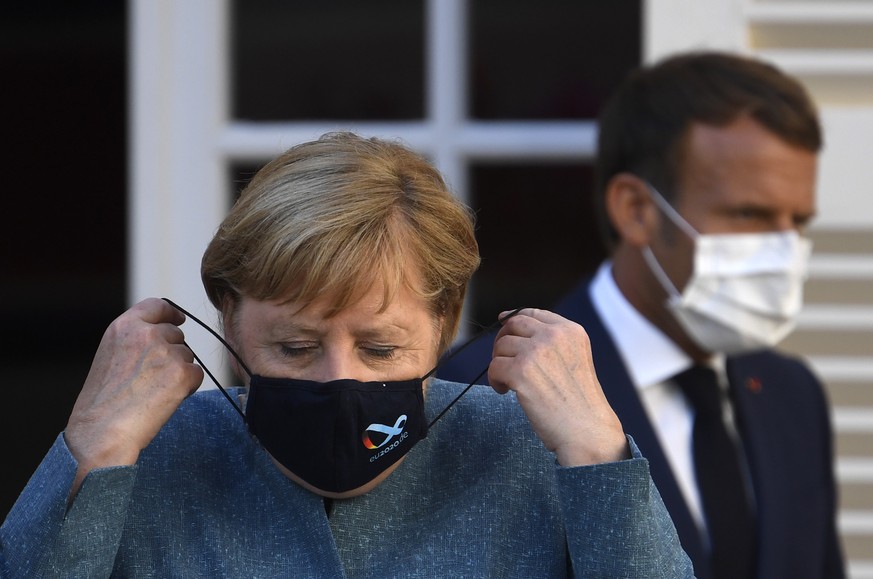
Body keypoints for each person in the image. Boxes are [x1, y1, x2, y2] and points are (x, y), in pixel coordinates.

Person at [0, 132, 693, 577]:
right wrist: (92, 443)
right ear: (229, 320)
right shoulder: (149, 455)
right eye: (294, 345)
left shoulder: (534, 452)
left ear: (445, 322)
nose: (340, 378)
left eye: (381, 345)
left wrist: (599, 455)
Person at [439, 51, 845, 579]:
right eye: (750, 214)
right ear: (636, 210)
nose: (784, 248)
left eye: (798, 221)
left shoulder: (792, 394)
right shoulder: (485, 389)